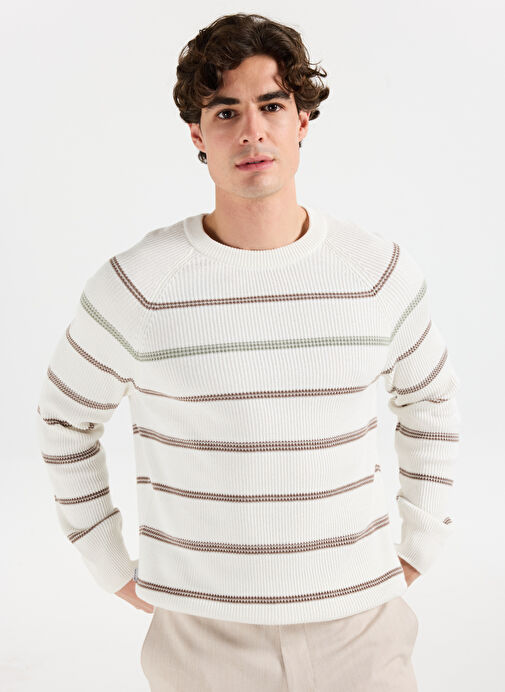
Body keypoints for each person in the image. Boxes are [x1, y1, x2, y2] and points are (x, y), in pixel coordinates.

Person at [35, 12, 460, 691]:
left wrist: (420, 542)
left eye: (271, 105)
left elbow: (430, 400)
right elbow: (64, 420)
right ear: (197, 135)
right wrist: (109, 564)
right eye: (226, 111)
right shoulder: (138, 286)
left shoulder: (375, 271)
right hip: (202, 641)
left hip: (360, 629)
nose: (252, 131)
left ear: (302, 122)